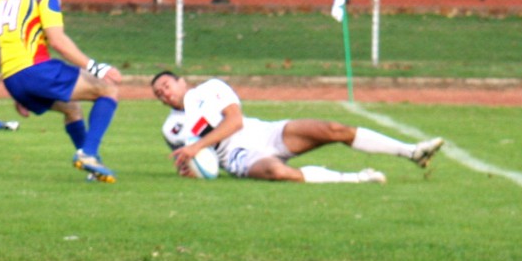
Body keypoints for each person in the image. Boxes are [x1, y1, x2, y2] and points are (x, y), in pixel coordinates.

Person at [150, 71, 444, 184]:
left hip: (262, 132)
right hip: (236, 157)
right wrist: (189, 166)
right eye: (158, 93)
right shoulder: (171, 129)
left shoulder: (211, 88)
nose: (164, 92)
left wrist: (198, 146)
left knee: (332, 128)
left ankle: (412, 152)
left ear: (181, 82)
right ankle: (357, 178)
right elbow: (186, 158)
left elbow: (235, 120)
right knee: (278, 172)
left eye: (166, 85)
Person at [0, 0, 121, 183]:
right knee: (108, 88)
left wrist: (17, 94)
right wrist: (97, 68)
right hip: (35, 69)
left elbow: (4, 45)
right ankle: (88, 154)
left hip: (12, 77)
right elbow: (58, 40)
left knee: (71, 108)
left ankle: (93, 168)